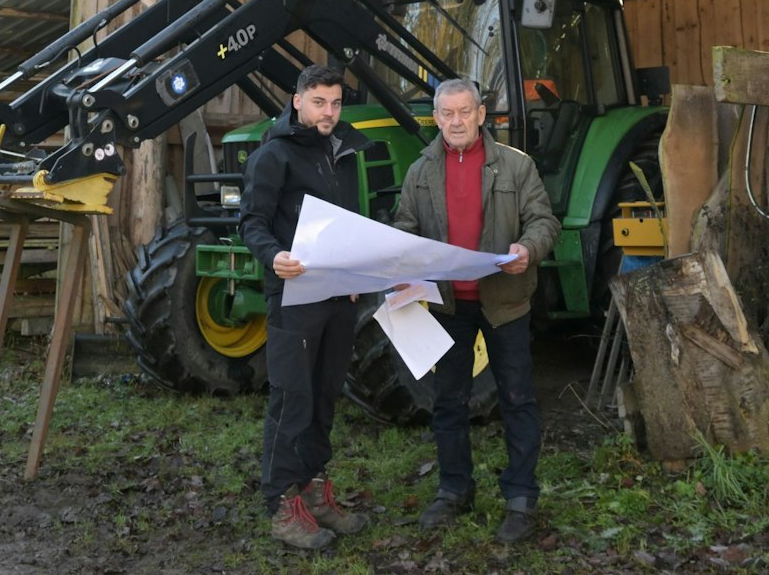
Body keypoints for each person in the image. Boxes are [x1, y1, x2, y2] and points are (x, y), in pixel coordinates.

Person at [391, 77, 561, 545]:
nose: (456, 121)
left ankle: (521, 499)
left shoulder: (515, 166)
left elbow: (544, 220)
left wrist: (528, 248)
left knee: (517, 398)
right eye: (447, 113)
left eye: (465, 112)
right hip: (448, 304)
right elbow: (404, 227)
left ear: (481, 115)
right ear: (437, 118)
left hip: (504, 300)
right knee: (448, 401)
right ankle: (454, 490)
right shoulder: (421, 171)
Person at [238, 64, 372, 551]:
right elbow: (251, 221)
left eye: (335, 103)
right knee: (291, 397)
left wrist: (355, 274)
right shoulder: (274, 155)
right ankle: (280, 502)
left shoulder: (343, 151)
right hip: (293, 295)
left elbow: (350, 223)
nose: (329, 112)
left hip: (339, 294)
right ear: (297, 101)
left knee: (323, 395)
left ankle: (313, 490)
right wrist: (273, 257)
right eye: (319, 102)